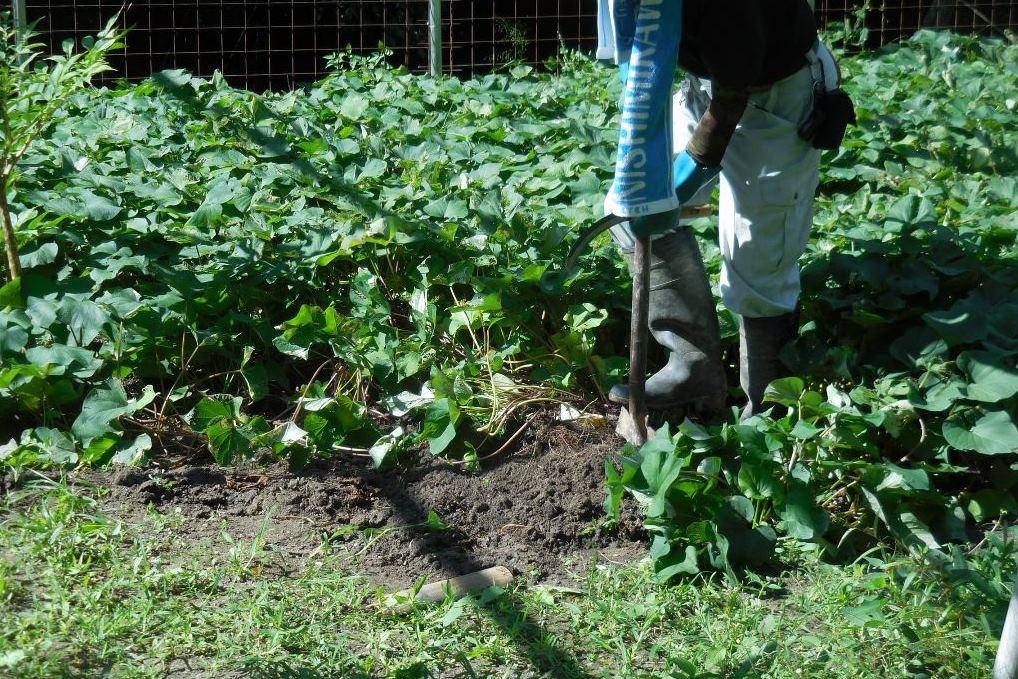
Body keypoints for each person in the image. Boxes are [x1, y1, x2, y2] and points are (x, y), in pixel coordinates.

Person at [596, 0, 844, 418]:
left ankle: (768, 410)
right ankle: (692, 368)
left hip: (774, 91)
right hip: (703, 84)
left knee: (758, 255)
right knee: (629, 212)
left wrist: (685, 177)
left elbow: (734, 92)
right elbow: (634, 42)